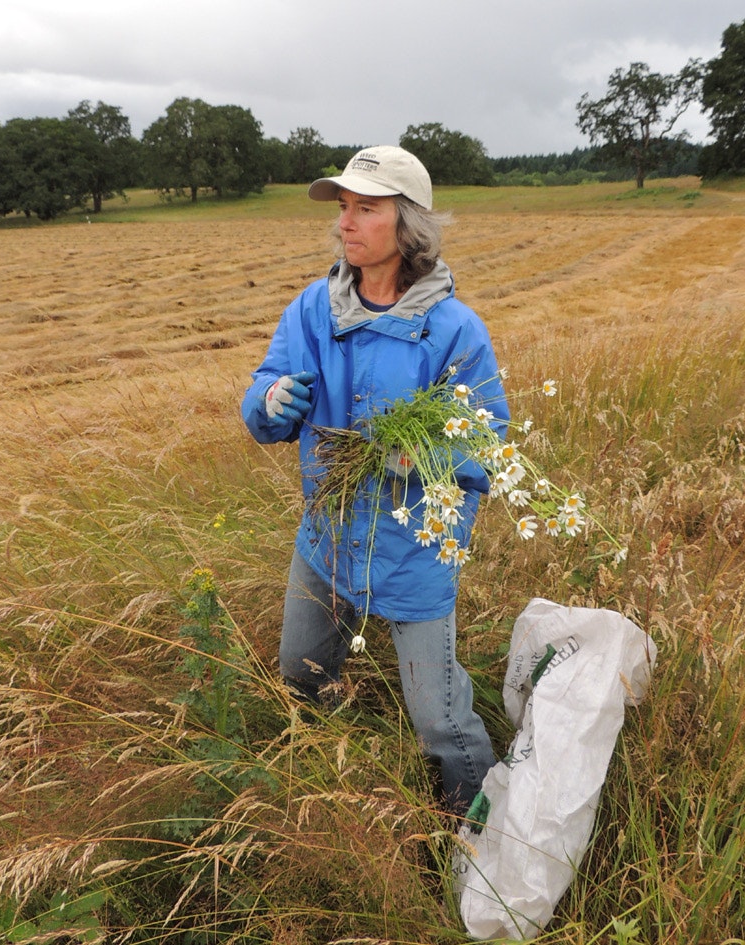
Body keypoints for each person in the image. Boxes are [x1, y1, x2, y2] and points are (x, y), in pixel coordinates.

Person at [241, 145, 509, 816]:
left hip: (413, 550)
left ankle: (477, 817)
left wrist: (423, 456)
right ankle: (344, 763)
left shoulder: (451, 329)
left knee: (439, 722)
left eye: (365, 208)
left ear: (407, 224)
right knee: (301, 674)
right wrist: (269, 400)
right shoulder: (313, 310)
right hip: (326, 538)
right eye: (342, 208)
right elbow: (262, 390)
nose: (345, 223)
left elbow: (486, 437)